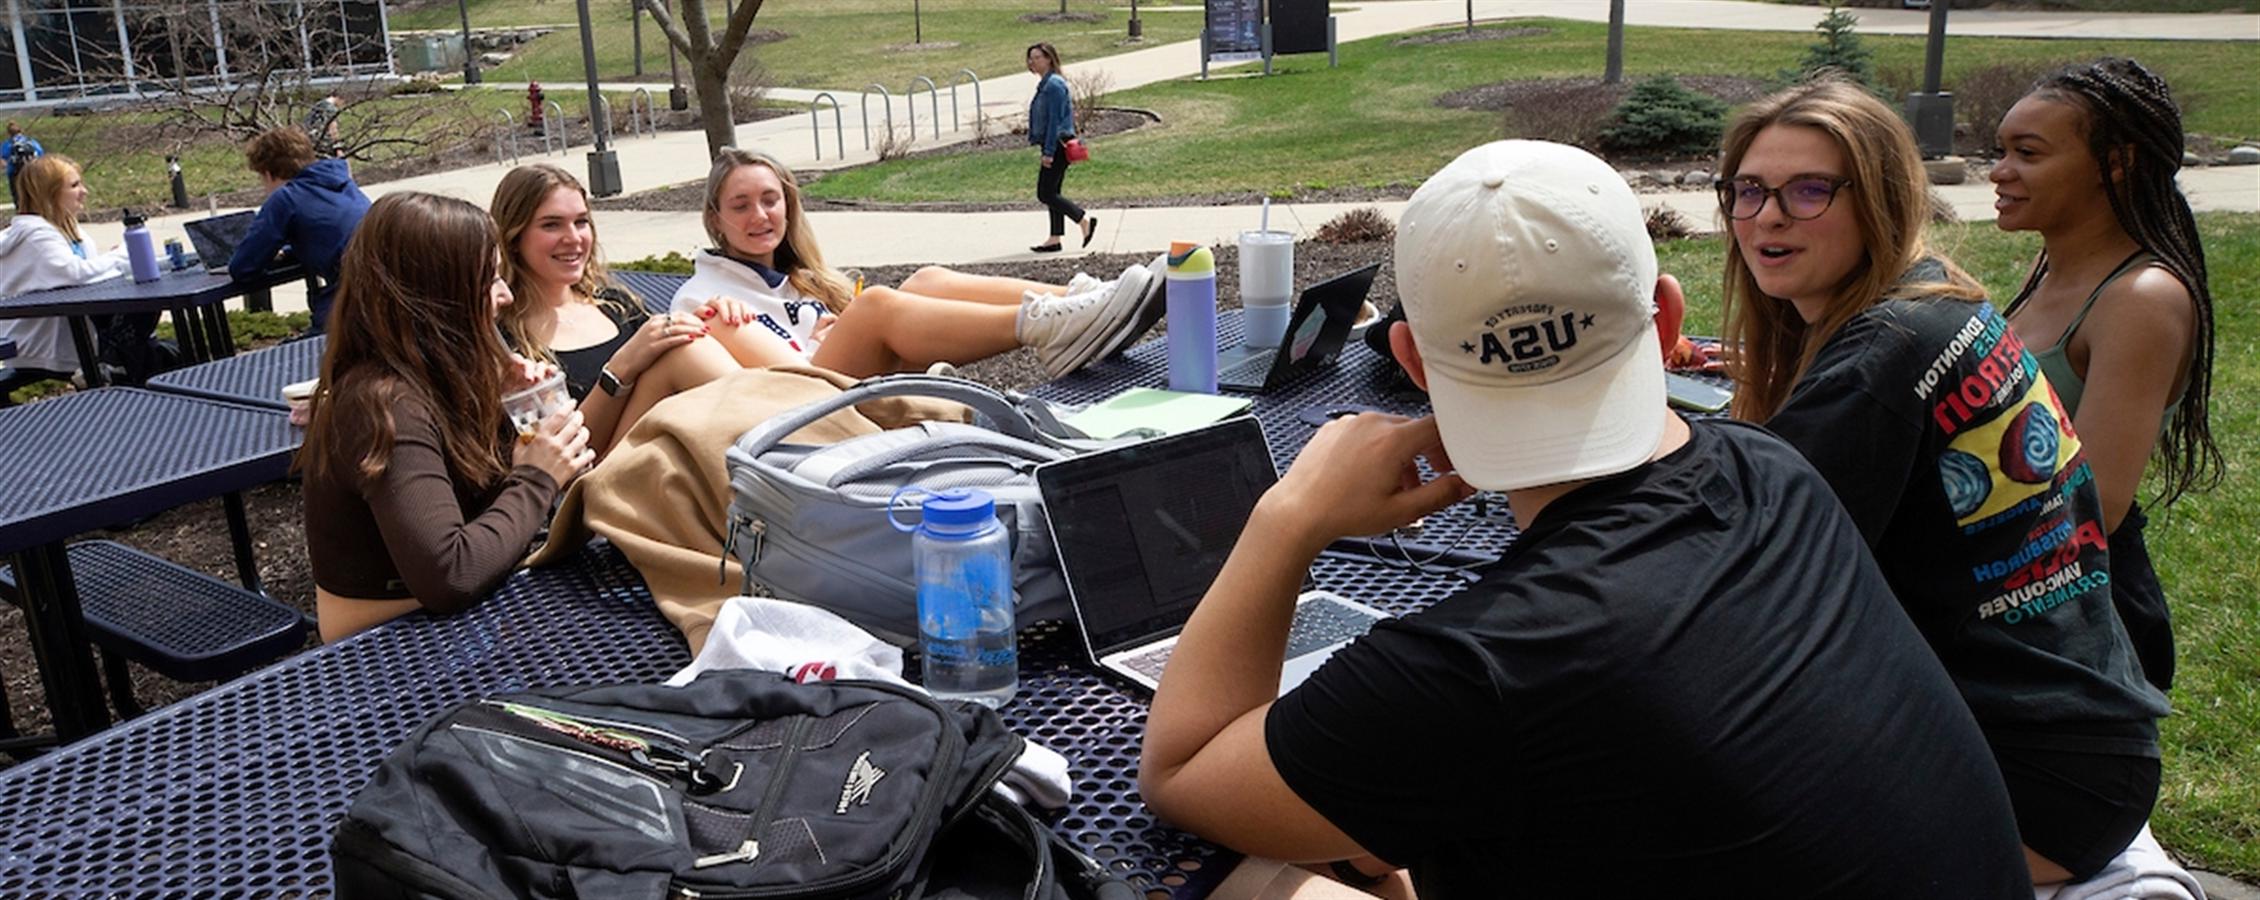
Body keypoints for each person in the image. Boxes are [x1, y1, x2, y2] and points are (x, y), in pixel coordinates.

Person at [1138, 140, 2029, 898]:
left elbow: (1178, 774)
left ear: (1409, 360)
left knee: (1254, 880)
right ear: (1670, 319)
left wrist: (1288, 517)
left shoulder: (1474, 671)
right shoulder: (1775, 471)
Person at [1716, 78, 2169, 885]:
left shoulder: (1884, 354)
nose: (1766, 216)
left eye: (1808, 190)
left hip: (2027, 785)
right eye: (1748, 190)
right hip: (2083, 747)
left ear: (1881, 197)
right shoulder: (1933, 299)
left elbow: (1728, 574)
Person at [1992, 57, 2218, 693]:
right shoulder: (2052, 270)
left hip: (2083, 616)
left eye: (2027, 154)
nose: (1999, 172)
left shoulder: (2140, 299)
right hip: (2013, 586)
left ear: (2115, 163)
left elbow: (2097, 505)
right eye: (2001, 150)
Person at [301, 192, 594, 642]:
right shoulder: (383, 406)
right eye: (489, 280)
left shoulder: (435, 379)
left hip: (464, 622)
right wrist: (537, 478)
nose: (506, 295)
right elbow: (451, 574)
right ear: (437, 296)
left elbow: (480, 512)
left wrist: (506, 412)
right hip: (386, 653)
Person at [669, 148, 1163, 380]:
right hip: (807, 412)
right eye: (740, 205)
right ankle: (1050, 326)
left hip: (847, 381)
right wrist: (825, 337)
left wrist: (829, 329)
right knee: (877, 306)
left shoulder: (795, 279)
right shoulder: (700, 298)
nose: (760, 215)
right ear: (715, 218)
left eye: (770, 200)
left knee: (925, 280)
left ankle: (1083, 304)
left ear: (788, 205)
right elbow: (773, 381)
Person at [491, 163, 740, 455]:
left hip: (669, 456)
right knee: (683, 352)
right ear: (514, 237)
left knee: (719, 326)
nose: (573, 238)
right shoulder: (505, 342)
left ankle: (795, 427)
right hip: (592, 484)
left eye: (581, 222)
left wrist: (702, 322)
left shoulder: (616, 304)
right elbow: (559, 459)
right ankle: (789, 438)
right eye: (551, 225)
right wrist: (620, 370)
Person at [0, 155, 130, 388]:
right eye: (74, 185)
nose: (84, 191)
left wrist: (112, 260)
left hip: (71, 331)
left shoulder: (66, 228)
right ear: (48, 192)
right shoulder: (36, 236)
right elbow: (73, 273)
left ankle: (121, 370)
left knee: (137, 333)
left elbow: (87, 274)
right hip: (41, 345)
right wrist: (120, 256)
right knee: (134, 343)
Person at [231, 126, 372, 335]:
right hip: (384, 293)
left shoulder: (286, 198)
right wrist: (291, 252)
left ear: (269, 174)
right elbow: (332, 232)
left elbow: (243, 268)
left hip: (351, 307)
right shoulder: (343, 184)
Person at [1024, 42, 1095, 253]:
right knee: (1053, 191)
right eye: (1031, 58)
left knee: (1045, 193)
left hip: (1057, 144)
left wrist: (1048, 152)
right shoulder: (1048, 83)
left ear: (1049, 59)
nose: (1033, 62)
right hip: (1055, 143)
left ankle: (1083, 219)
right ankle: (1054, 239)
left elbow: (1055, 121)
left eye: (1037, 57)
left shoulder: (1053, 85)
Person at [4, 120, 41, 207]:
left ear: (9, 133)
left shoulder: (7, 144)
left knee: (18, 196)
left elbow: (3, 162)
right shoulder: (32, 142)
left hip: (15, 173)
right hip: (31, 171)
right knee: (32, 193)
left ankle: (21, 212)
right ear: (21, 131)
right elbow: (40, 154)